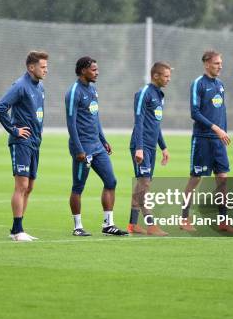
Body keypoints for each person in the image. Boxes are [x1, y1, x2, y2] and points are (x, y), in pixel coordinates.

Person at [65, 57, 128, 236]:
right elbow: (71, 123)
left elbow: (95, 117)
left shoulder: (93, 89)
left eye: (97, 69)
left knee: (111, 181)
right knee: (78, 187)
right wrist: (78, 149)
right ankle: (77, 227)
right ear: (83, 70)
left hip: (97, 147)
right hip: (82, 148)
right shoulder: (74, 92)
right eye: (93, 70)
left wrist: (103, 139)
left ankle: (108, 225)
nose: (97, 72)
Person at [180, 50, 233, 233]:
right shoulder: (198, 84)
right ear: (206, 64)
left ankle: (223, 221)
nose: (220, 66)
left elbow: (222, 111)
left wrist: (224, 132)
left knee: (222, 179)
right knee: (195, 179)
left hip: (218, 142)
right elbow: (194, 113)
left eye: (221, 63)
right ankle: (184, 219)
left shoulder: (220, 85)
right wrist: (216, 129)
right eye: (216, 63)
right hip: (202, 140)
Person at [0, 51, 48, 242]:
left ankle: (17, 229)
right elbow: (0, 108)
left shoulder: (40, 86)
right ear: (31, 67)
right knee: (22, 185)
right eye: (42, 67)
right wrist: (14, 130)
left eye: (46, 67)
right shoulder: (20, 86)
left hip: (35, 142)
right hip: (21, 142)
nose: (46, 70)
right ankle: (18, 230)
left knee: (30, 186)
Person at [127, 62, 172, 236]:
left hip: (151, 146)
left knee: (143, 184)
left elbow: (155, 124)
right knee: (144, 183)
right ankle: (151, 225)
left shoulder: (160, 95)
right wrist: (139, 148)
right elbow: (138, 121)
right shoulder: (144, 93)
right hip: (141, 145)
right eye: (166, 76)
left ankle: (133, 224)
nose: (169, 79)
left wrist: (163, 147)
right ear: (156, 76)